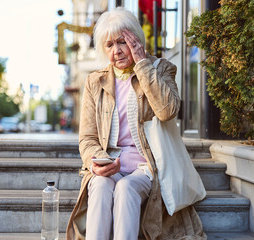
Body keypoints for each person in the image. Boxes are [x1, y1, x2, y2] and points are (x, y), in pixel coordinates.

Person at [66, 7, 206, 240]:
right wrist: (95, 162)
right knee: (100, 186)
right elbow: (87, 138)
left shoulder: (161, 69)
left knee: (126, 188)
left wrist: (142, 63)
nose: (117, 51)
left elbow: (167, 111)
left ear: (136, 41)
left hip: (146, 167)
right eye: (109, 45)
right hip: (110, 164)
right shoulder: (94, 81)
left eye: (122, 42)